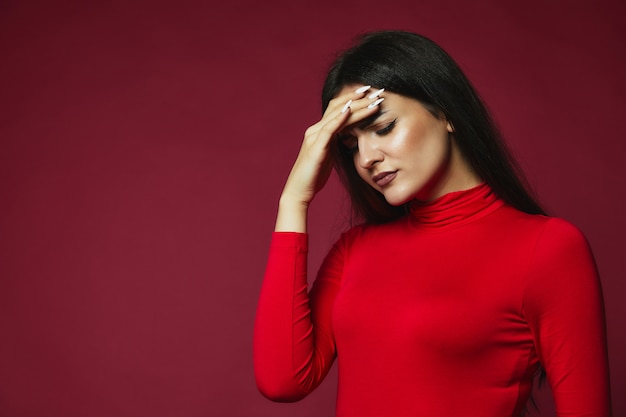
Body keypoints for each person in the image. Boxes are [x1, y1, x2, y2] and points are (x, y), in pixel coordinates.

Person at [253, 30, 611, 417]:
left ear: (446, 113)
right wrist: (294, 200)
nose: (367, 158)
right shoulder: (354, 250)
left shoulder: (548, 248)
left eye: (383, 126)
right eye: (351, 144)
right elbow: (283, 380)